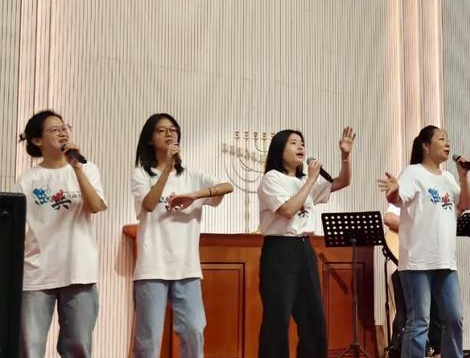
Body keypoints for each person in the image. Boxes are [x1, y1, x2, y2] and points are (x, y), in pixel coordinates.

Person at [131, 113, 234, 358]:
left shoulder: (192, 176)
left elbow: (227, 186)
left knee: (194, 331)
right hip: (152, 267)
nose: (169, 134)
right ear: (149, 139)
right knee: (148, 340)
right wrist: (166, 169)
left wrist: (195, 195)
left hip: (187, 269)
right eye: (161, 130)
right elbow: (148, 204)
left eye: (173, 130)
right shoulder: (141, 174)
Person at [258, 126, 356, 358]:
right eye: (293, 142)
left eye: (302, 142)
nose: (300, 146)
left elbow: (343, 181)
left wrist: (345, 156)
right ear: (279, 149)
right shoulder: (272, 179)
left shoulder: (304, 179)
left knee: (314, 321)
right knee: (277, 321)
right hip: (280, 251)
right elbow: (288, 210)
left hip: (305, 250)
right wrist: (311, 179)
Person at [16, 110, 107, 357]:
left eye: (64, 127)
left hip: (79, 271)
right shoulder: (28, 180)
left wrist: (76, 167)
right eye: (54, 130)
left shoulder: (87, 169)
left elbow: (96, 206)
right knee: (29, 347)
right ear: (37, 141)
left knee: (78, 346)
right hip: (36, 274)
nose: (62, 132)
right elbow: (18, 229)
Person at [377, 126, 470, 358]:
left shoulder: (449, 178)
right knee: (419, 322)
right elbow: (397, 198)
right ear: (426, 146)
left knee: (454, 318)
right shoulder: (413, 173)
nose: (447, 143)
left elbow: (466, 204)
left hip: (446, 262)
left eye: (448, 139)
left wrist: (463, 175)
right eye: (441, 139)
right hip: (417, 262)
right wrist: (393, 191)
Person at [384, 203, 443, 357]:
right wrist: (417, 226)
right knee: (412, 314)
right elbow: (389, 218)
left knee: (438, 311)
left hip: (430, 261)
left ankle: (437, 350)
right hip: (410, 263)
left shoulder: (434, 200)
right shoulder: (405, 194)